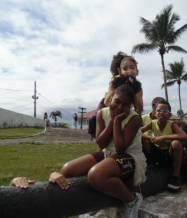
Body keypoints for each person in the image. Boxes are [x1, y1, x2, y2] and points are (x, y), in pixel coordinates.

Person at [11, 84, 147, 218]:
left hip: (129, 156)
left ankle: (132, 200)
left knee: (96, 176)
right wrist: (111, 122)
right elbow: (101, 142)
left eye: (125, 105)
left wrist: (116, 122)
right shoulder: (102, 113)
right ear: (111, 99)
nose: (119, 107)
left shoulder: (134, 118)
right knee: (67, 170)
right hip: (108, 153)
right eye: (117, 101)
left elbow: (121, 148)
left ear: (130, 107)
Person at [88, 51, 143, 138]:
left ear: (137, 71)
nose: (129, 70)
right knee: (95, 120)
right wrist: (115, 83)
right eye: (125, 69)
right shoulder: (115, 81)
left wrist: (135, 89)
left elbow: (139, 109)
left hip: (123, 109)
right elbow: (107, 102)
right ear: (120, 71)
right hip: (108, 106)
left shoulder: (138, 86)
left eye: (132, 67)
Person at [141, 100, 187, 192]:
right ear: (155, 113)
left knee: (176, 143)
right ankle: (149, 166)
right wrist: (151, 138)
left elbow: (184, 136)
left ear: (169, 115)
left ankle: (176, 176)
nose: (161, 113)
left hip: (169, 153)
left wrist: (163, 137)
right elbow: (139, 132)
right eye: (159, 110)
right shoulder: (152, 123)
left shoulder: (172, 124)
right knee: (144, 140)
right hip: (157, 152)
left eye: (165, 111)